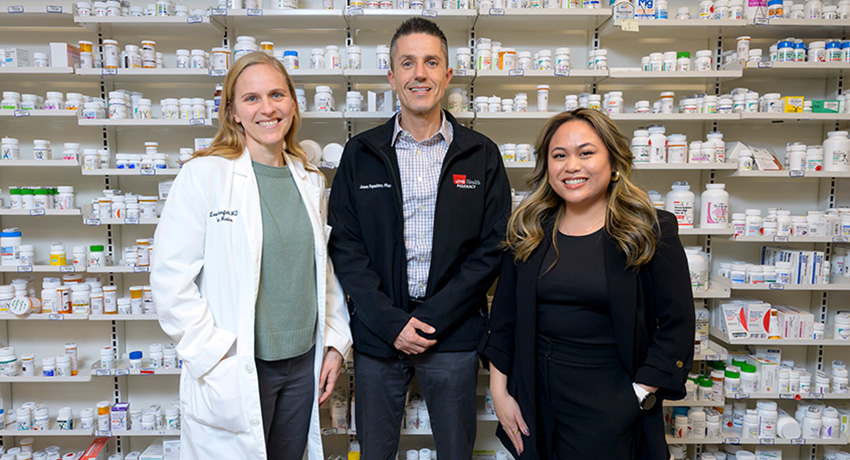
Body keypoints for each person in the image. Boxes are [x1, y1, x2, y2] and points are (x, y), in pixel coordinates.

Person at [150, 51, 352, 460]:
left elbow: (321, 270)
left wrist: (334, 343)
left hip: (302, 365)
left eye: (277, 95)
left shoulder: (310, 178)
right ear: (233, 112)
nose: (267, 108)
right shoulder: (204, 175)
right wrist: (215, 351)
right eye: (251, 98)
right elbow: (170, 279)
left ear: (293, 104)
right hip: (239, 365)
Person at [328, 17, 511, 460]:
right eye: (407, 63)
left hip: (452, 335)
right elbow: (346, 247)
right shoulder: (362, 153)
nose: (419, 73)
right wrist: (393, 324)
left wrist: (430, 319)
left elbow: (492, 247)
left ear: (448, 75)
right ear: (392, 77)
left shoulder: (480, 153)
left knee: (454, 451)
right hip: (378, 336)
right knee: (374, 451)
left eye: (431, 62)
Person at [480, 108, 695, 460]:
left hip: (612, 401)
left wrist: (637, 395)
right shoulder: (529, 230)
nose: (571, 165)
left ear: (613, 162)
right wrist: (500, 394)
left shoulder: (649, 230)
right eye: (559, 155)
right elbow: (504, 320)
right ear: (547, 166)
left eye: (586, 152)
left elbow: (678, 326)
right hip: (537, 398)